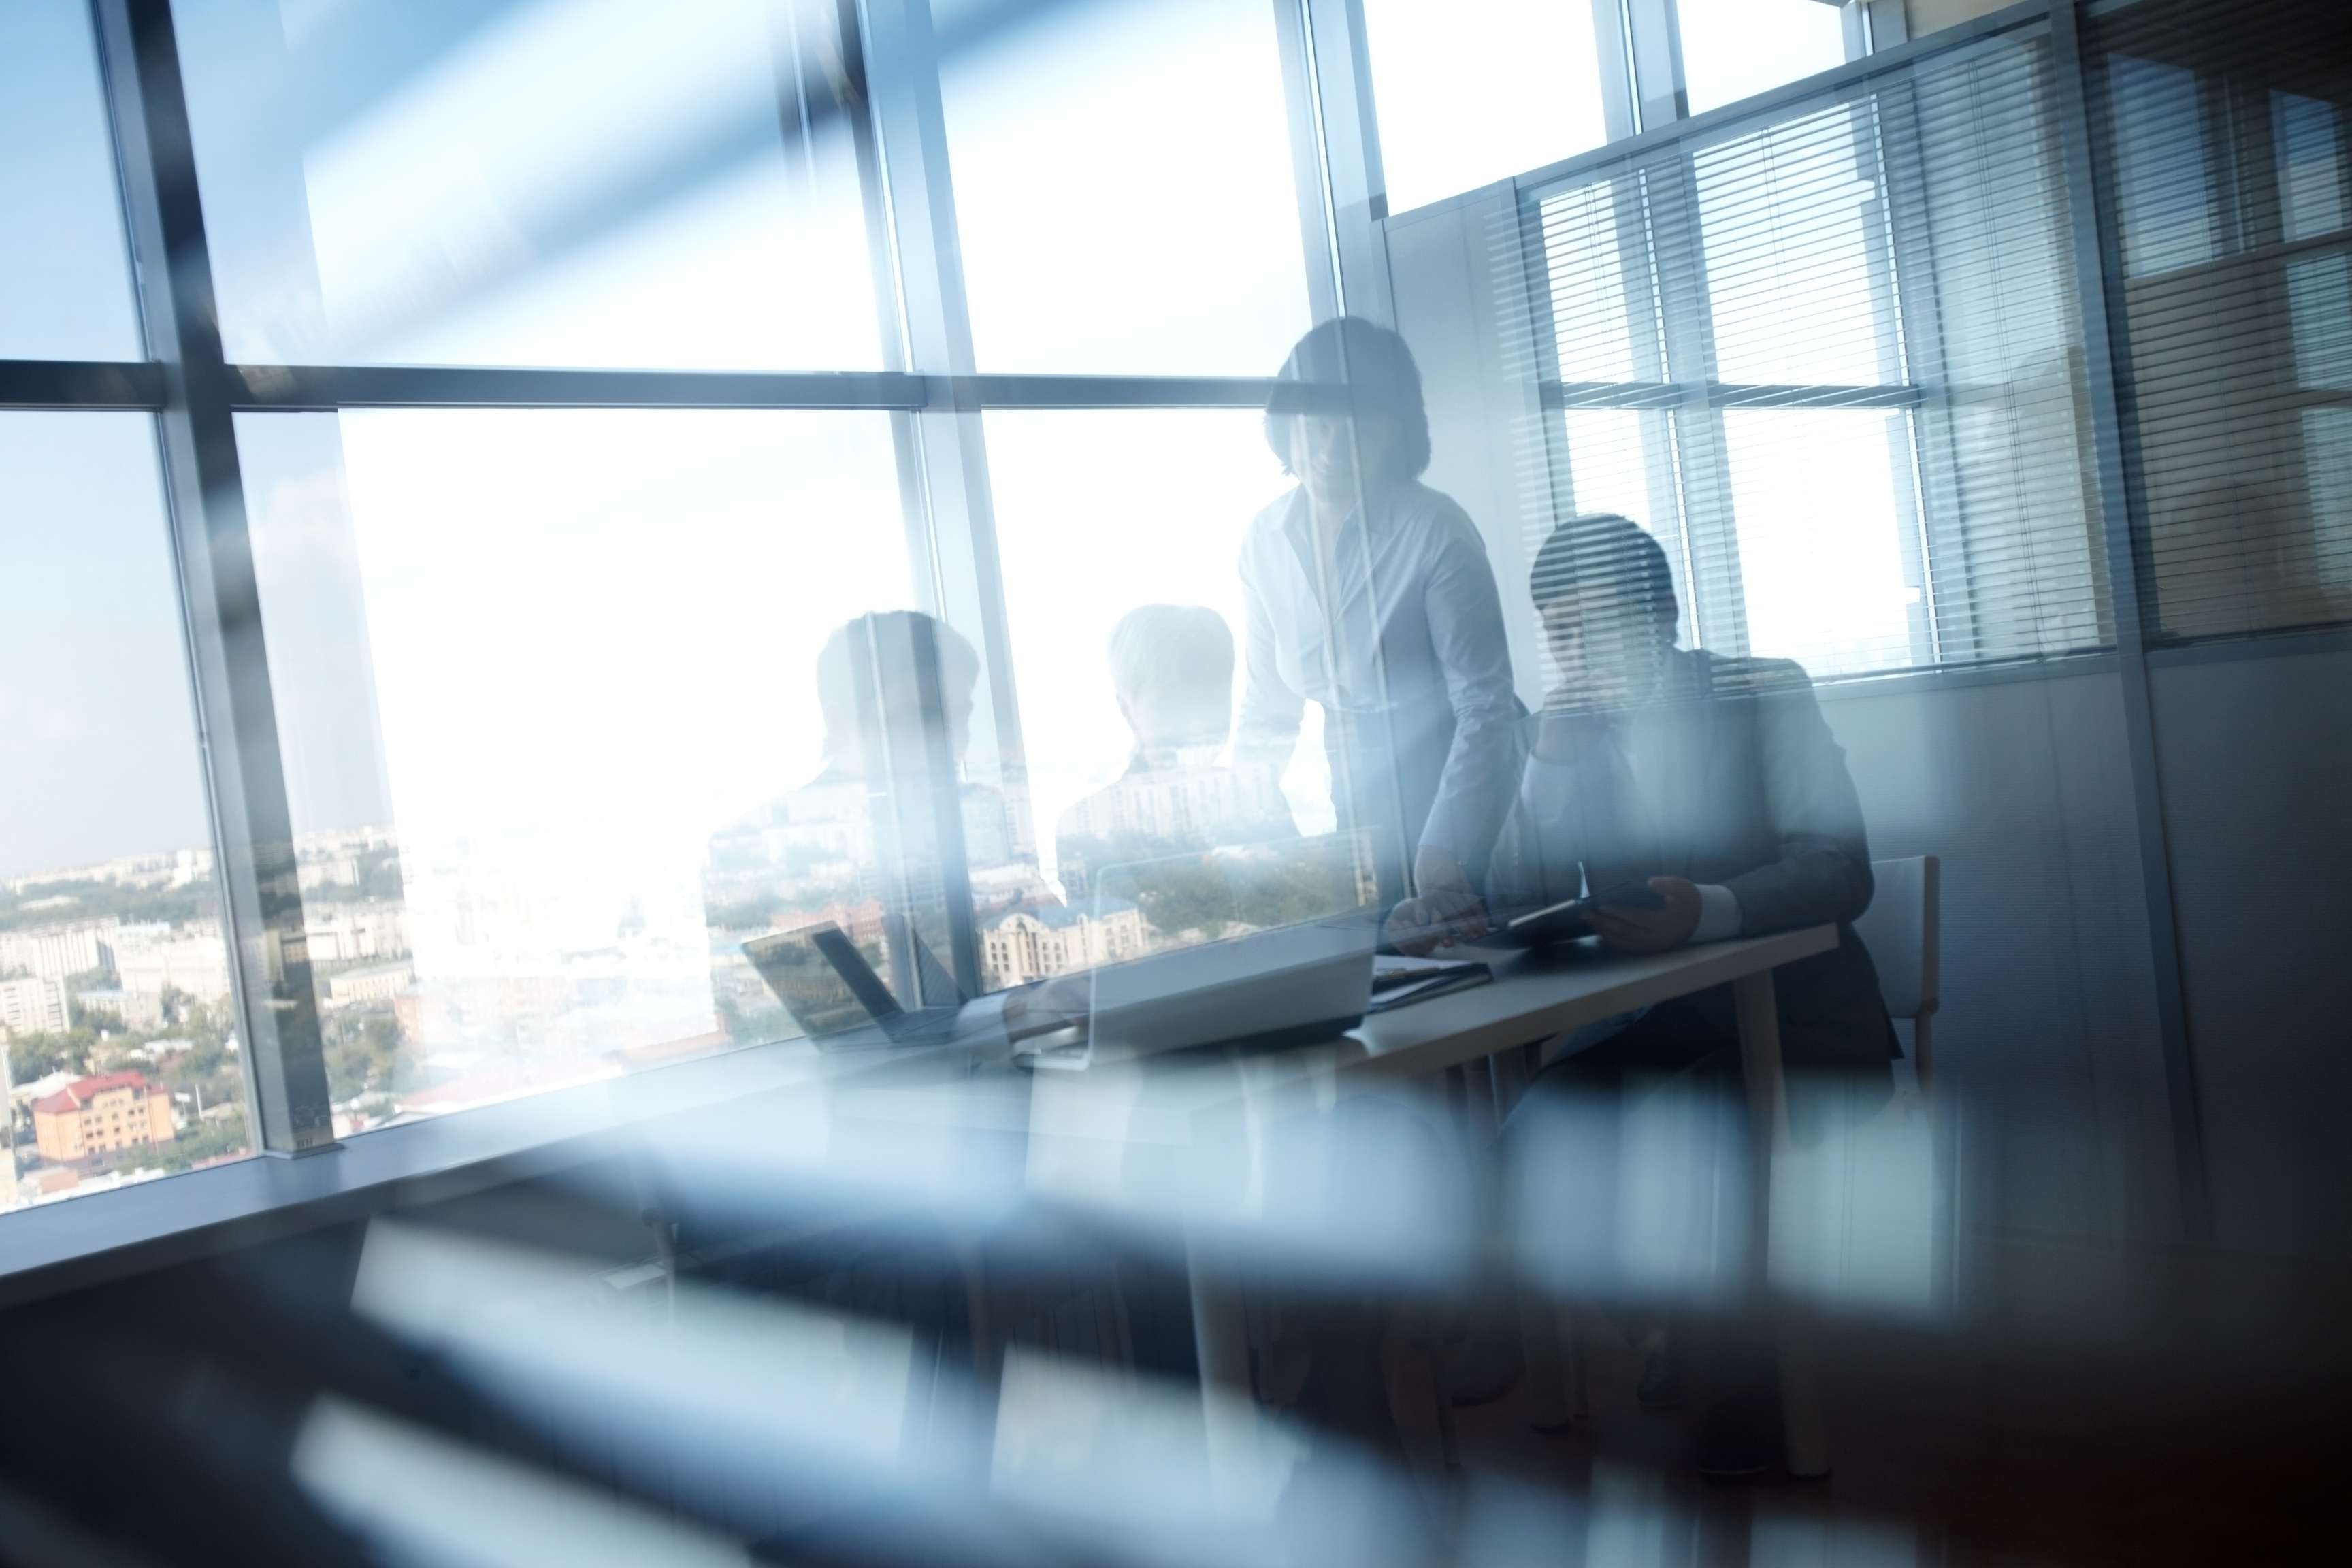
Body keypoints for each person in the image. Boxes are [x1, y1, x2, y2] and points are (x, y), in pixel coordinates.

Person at [1492, 512, 1897, 1476]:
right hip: (1656, 1021)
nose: (1583, 653)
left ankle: (1744, 1383)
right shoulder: (1564, 734)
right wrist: (1547, 764)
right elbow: (1512, 893)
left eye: (1603, 625)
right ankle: (1671, 1324)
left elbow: (1842, 870)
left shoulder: (1763, 691)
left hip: (1796, 1017)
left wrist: (1708, 910)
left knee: (1700, 1137)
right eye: (1562, 633)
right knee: (1535, 1134)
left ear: (1663, 612)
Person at [1236, 318, 1518, 953]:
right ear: (1287, 423)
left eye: (1361, 424)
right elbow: (1267, 708)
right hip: (1353, 776)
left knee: (1469, 977)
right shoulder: (1264, 540)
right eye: (1319, 422)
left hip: (1455, 770)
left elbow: (1484, 705)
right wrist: (1250, 822)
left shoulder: (1435, 529)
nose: (1334, 448)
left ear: (1396, 430)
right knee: (1384, 978)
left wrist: (1445, 850)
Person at [1054, 604, 1296, 906]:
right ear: (1127, 709)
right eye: (1170, 705)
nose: (1194, 723)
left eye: (1209, 699)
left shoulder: (1258, 797)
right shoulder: (1086, 827)